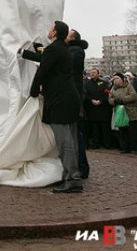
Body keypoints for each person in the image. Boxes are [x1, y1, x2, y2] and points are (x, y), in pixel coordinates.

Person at [29, 20, 83, 193]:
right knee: (71, 140)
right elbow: (46, 58)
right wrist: (27, 52)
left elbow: (43, 70)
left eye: (51, 28)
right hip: (70, 100)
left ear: (54, 33)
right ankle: (74, 176)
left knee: (64, 141)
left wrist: (34, 90)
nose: (49, 30)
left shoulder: (55, 49)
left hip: (60, 101)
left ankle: (73, 179)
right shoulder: (62, 49)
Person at [66, 29, 90, 179]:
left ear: (73, 38)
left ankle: (82, 167)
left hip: (73, 97)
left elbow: (68, 62)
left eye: (68, 34)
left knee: (76, 134)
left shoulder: (77, 50)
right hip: (72, 95)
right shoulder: (71, 50)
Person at [109, 73, 137, 154]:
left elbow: (134, 96)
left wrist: (122, 100)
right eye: (114, 79)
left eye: (117, 78)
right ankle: (125, 148)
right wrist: (114, 101)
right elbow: (110, 98)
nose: (115, 80)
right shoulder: (113, 88)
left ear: (123, 79)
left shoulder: (128, 86)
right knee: (122, 131)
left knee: (133, 131)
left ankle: (135, 148)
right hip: (119, 112)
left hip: (130, 111)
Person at [84, 67, 112, 149]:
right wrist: (91, 100)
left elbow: (107, 93)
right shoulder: (87, 83)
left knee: (104, 128)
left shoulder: (104, 83)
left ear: (98, 74)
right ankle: (95, 143)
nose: (92, 74)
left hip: (103, 108)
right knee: (94, 128)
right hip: (92, 108)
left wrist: (101, 101)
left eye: (94, 72)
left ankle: (107, 143)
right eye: (91, 72)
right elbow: (85, 94)